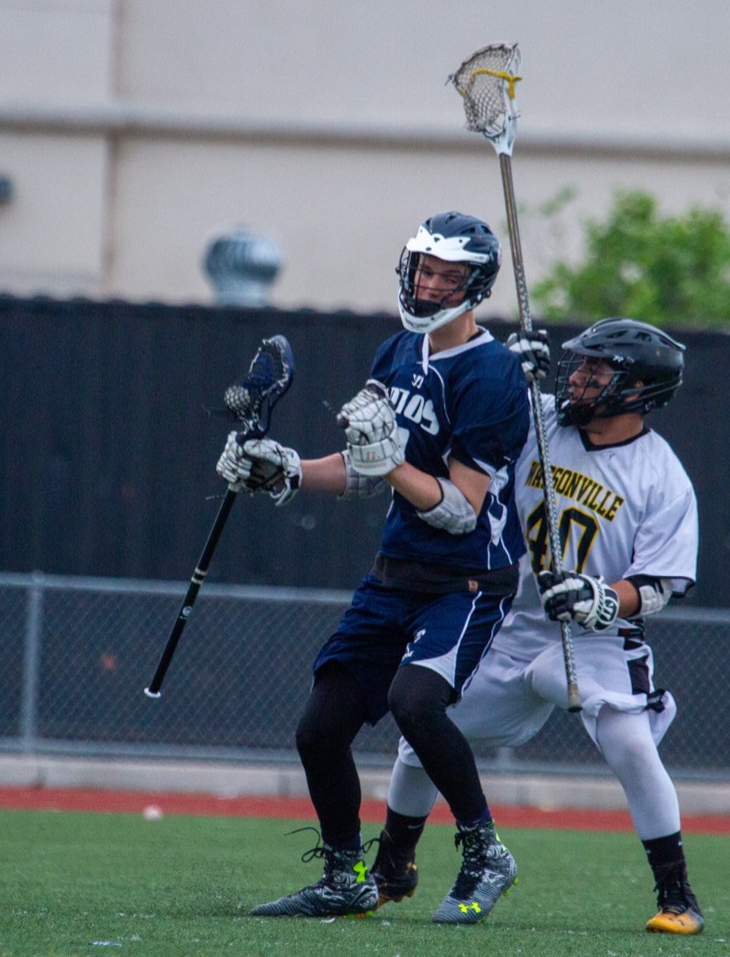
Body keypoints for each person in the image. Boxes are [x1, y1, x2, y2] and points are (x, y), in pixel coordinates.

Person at [216, 210, 531, 924]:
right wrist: (287, 469)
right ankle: (346, 874)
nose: (428, 284)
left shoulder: (491, 373)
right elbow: (361, 473)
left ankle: (485, 851)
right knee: (319, 728)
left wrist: (388, 462)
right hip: (397, 573)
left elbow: (460, 508)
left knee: (415, 701)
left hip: (467, 579)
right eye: (424, 269)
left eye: (447, 276)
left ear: (474, 286)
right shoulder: (398, 352)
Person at [374, 317, 706, 935]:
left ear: (638, 388)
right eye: (577, 366)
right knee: (422, 731)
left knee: (632, 744)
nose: (577, 378)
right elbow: (476, 416)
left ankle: (678, 896)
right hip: (509, 620)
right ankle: (393, 867)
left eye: (595, 370)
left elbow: (661, 585)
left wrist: (601, 598)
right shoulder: (541, 418)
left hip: (593, 636)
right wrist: (505, 367)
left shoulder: (663, 476)